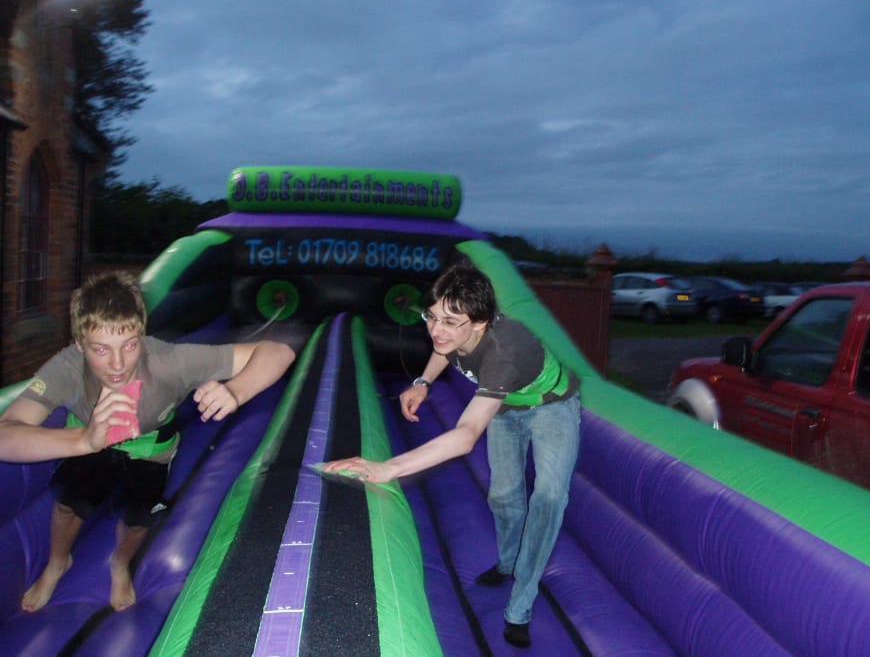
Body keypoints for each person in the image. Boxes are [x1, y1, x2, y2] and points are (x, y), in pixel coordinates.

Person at [0, 271, 295, 613]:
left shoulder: (167, 361)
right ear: (80, 344)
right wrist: (83, 439)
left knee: (139, 520)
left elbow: (279, 351)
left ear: (141, 335)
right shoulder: (67, 368)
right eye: (100, 349)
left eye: (129, 345)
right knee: (68, 505)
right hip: (88, 443)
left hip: (150, 451)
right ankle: (57, 563)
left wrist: (235, 390)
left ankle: (120, 563)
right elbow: (5, 433)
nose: (117, 364)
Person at [324, 261, 580, 648]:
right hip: (506, 407)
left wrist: (388, 467)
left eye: (450, 321)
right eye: (431, 317)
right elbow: (445, 350)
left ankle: (521, 605)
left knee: (548, 499)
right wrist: (423, 382)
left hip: (552, 407)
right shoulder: (455, 331)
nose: (436, 330)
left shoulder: (503, 351)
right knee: (503, 495)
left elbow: (465, 437)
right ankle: (507, 561)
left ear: (480, 323)